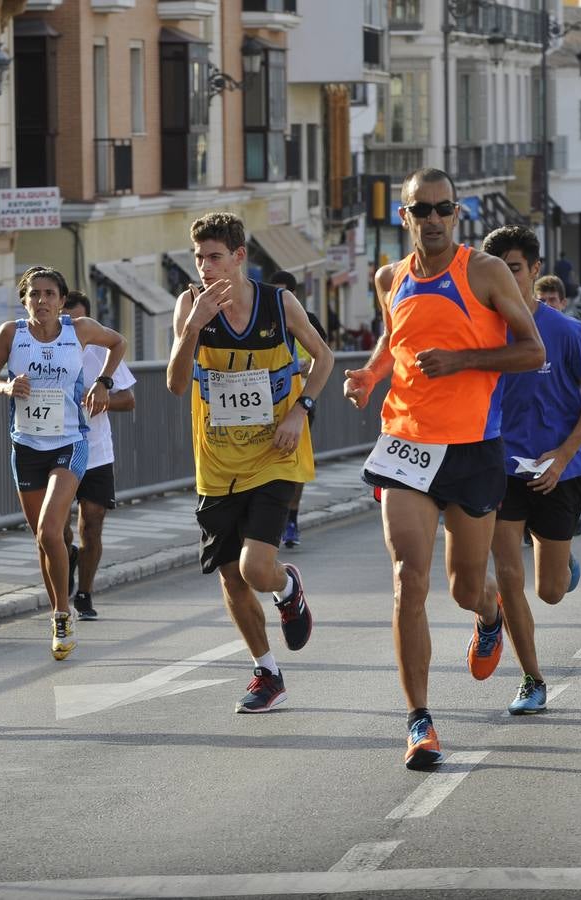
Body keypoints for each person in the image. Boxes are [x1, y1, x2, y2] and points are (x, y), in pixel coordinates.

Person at [343, 168, 544, 768]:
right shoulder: (390, 277)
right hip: (405, 442)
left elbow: (531, 350)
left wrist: (461, 361)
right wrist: (370, 376)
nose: (432, 219)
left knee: (463, 587)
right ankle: (419, 720)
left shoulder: (484, 271)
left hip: (473, 447)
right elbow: (394, 339)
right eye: (420, 209)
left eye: (442, 209)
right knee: (409, 577)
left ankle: (489, 612)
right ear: (403, 215)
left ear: (457, 214)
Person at [166, 212, 333, 714]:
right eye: (199, 258)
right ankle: (266, 671)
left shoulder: (278, 303)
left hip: (274, 454)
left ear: (239, 257)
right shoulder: (189, 306)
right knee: (231, 578)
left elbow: (323, 358)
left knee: (255, 567)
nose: (204, 267)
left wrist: (301, 411)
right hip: (216, 463)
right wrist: (192, 327)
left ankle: (285, 586)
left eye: (214, 257)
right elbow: (176, 384)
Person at [482, 226, 581, 716]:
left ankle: (562, 554)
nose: (506, 278)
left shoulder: (564, 331)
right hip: (500, 468)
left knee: (551, 591)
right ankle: (532, 679)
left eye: (514, 268)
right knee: (507, 576)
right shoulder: (480, 329)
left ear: (535, 270)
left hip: (559, 470)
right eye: (497, 269)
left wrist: (563, 454)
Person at [0, 266, 127, 660]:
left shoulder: (80, 329)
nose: (41, 300)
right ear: (23, 299)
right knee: (44, 539)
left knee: (50, 529)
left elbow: (118, 342)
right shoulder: (10, 334)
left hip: (69, 443)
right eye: (34, 294)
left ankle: (62, 614)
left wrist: (104, 382)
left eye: (49, 294)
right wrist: (6, 386)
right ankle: (58, 610)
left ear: (61, 300)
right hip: (27, 446)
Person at [59, 291, 138, 620]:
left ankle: (85, 594)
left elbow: (129, 400)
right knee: (59, 529)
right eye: (65, 320)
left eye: (78, 320)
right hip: (57, 450)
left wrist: (99, 399)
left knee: (92, 524)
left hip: (96, 451)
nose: (72, 327)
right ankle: (66, 560)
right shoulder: (46, 348)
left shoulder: (103, 351)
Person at [267, 270, 330, 549]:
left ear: (293, 294)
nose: (277, 298)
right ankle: (268, 520)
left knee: (295, 462)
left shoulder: (309, 320)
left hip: (300, 402)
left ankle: (291, 519)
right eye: (273, 291)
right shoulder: (260, 318)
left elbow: (324, 355)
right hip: (267, 403)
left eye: (283, 292)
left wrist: (307, 368)